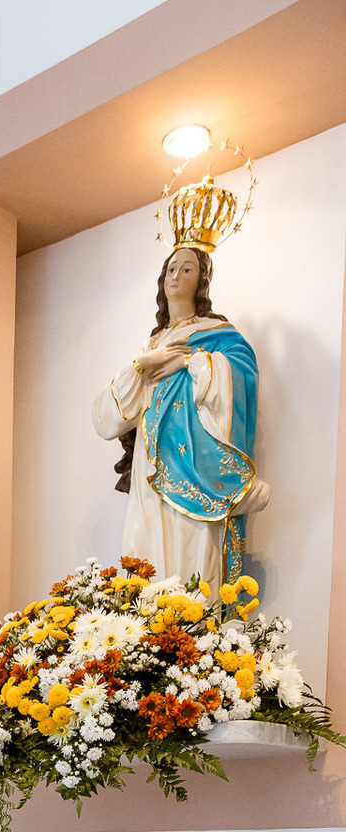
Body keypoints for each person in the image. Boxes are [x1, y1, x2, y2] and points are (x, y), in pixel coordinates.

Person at [92, 241, 269, 587]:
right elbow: (108, 418)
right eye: (170, 269)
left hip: (193, 466)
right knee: (143, 556)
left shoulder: (218, 336)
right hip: (149, 462)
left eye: (187, 268)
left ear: (202, 280)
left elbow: (242, 375)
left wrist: (188, 361)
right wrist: (142, 366)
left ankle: (192, 636)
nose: (175, 276)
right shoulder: (150, 347)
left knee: (192, 551)